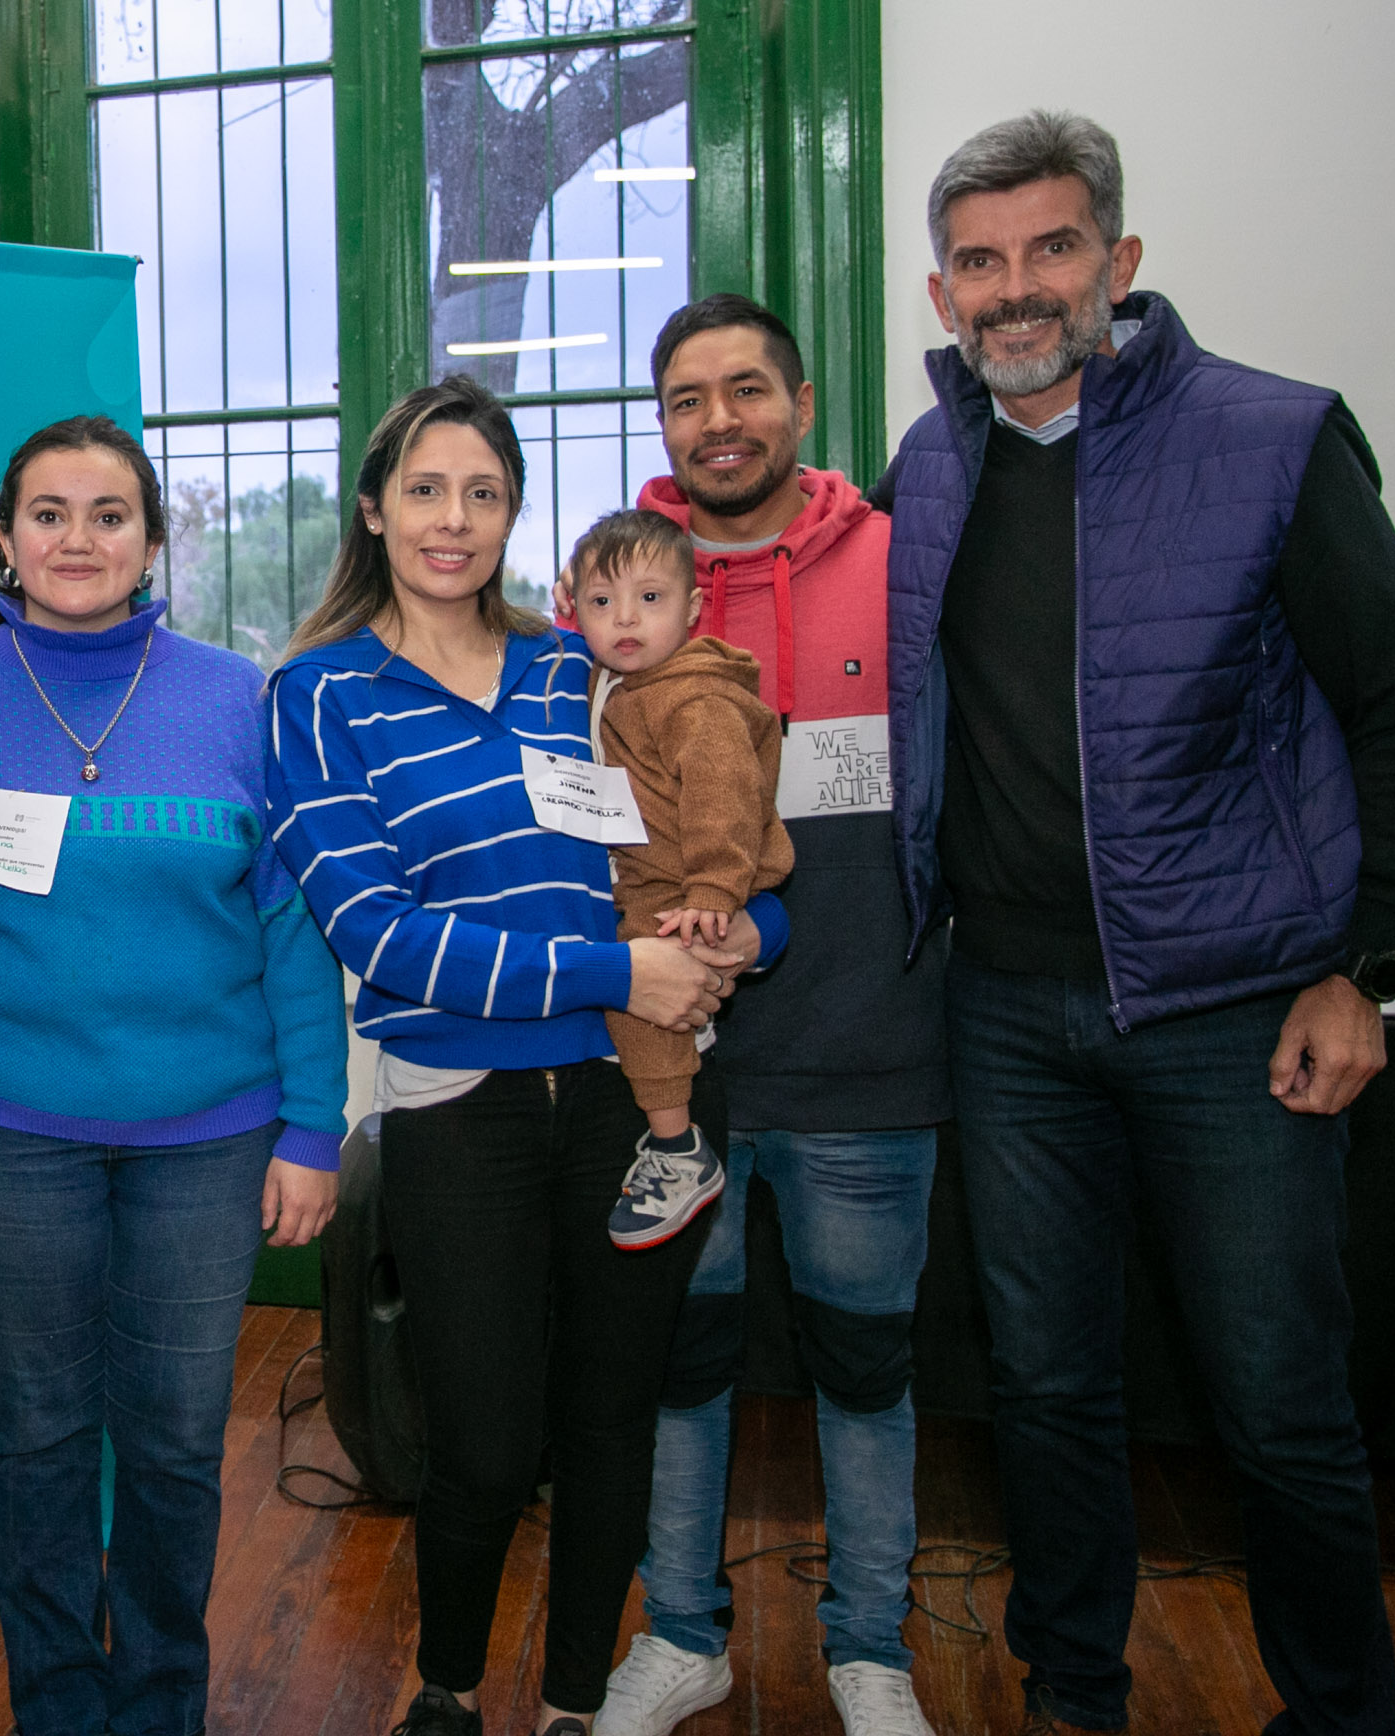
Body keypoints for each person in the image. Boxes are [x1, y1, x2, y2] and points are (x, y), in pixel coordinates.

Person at [889, 111, 1395, 1736]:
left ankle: (1338, 1713)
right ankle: (1074, 1692)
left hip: (1235, 1014)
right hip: (1007, 1012)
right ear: (941, 291)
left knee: (1279, 1404)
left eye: (1051, 247)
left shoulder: (1273, 437)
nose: (1016, 287)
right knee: (1046, 1388)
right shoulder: (931, 464)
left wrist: (1363, 969)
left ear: (1119, 261)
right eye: (980, 261)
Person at [266, 381, 781, 1736]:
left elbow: (713, 832)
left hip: (636, 1097)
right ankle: (445, 1687)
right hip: (460, 1111)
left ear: (513, 517)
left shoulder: (579, 669)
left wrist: (749, 931)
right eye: (426, 489)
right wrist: (618, 973)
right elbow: (378, 935)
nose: (453, 519)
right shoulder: (318, 694)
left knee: (610, 1424)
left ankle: (572, 1703)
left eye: (483, 493)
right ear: (373, 508)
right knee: (484, 1443)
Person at [0, 415, 347, 1736]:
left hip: (212, 1135)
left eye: (109, 514)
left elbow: (293, 928)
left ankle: (160, 1703)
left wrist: (315, 1125)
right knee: (41, 1435)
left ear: (152, 538)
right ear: (5, 539)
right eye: (50, 513)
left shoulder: (237, 698)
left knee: (178, 1441)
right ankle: (62, 1707)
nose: (78, 539)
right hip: (1, 1129)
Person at [595, 295, 946, 1736]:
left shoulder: (901, 560)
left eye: (747, 389)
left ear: (801, 404)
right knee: (680, 1371)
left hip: (873, 1053)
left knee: (867, 1372)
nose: (719, 419)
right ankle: (681, 1633)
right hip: (683, 1077)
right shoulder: (618, 598)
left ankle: (870, 1648)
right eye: (687, 397)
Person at [562, 508, 792, 1248]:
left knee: (639, 991)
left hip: (686, 887)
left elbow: (726, 798)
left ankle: (676, 1146)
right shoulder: (614, 682)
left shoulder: (694, 696)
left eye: (650, 598)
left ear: (692, 609)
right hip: (650, 874)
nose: (625, 618)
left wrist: (715, 891)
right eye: (602, 601)